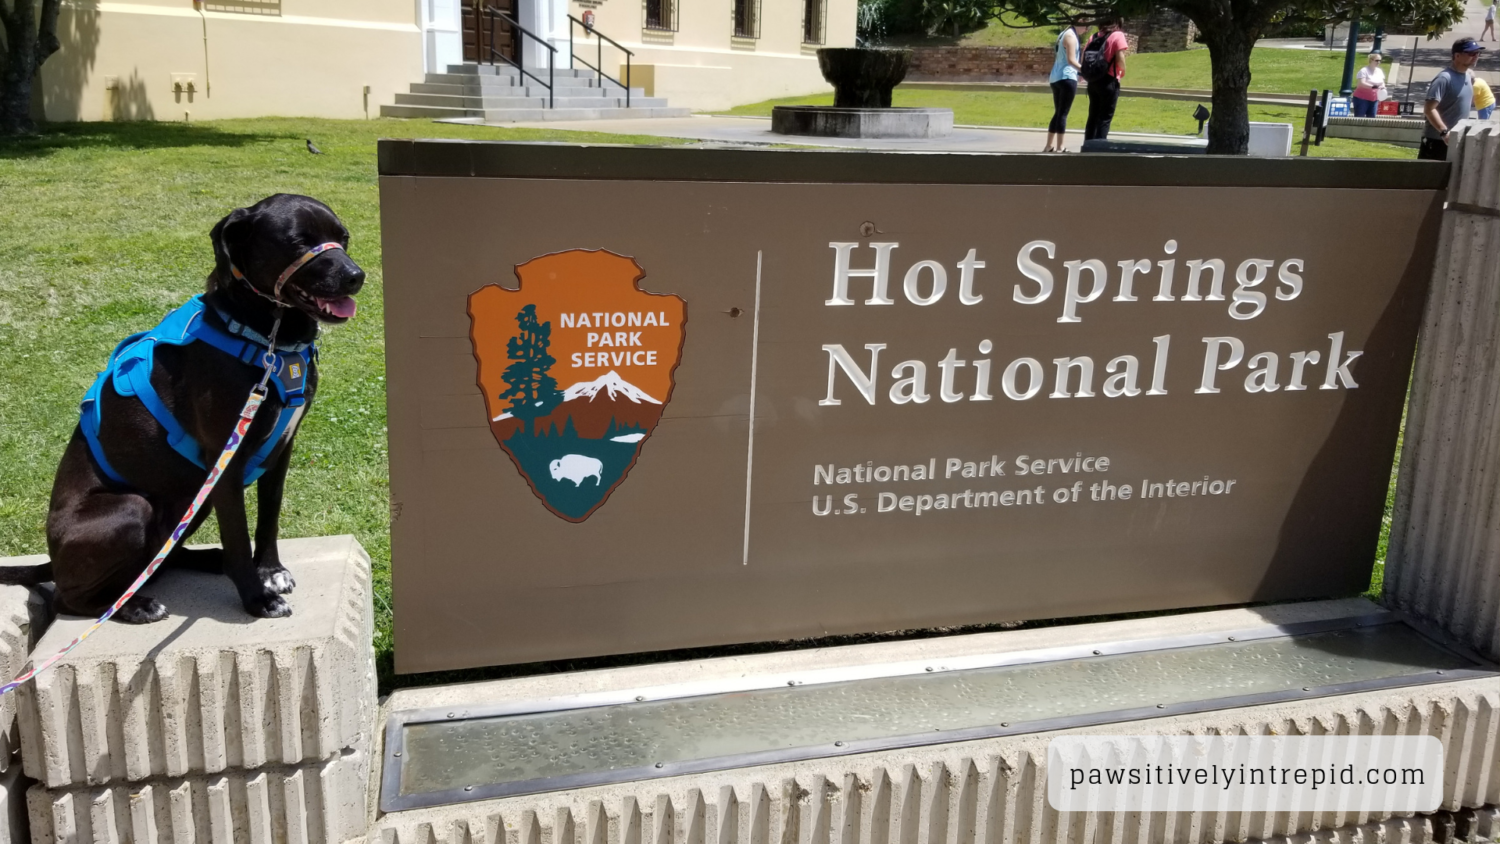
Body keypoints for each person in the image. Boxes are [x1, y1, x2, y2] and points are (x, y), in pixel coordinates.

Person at [1420, 38, 1483, 160]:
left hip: (1456, 139)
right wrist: (1444, 132)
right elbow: (1429, 109)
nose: (1476, 56)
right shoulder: (1444, 78)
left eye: (1477, 53)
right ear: (1457, 55)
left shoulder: (1468, 76)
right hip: (1437, 141)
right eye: (1471, 53)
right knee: (1431, 178)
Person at [1045, 19, 1087, 152]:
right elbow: (1071, 60)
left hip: (1056, 77)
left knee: (1058, 113)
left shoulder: (1063, 33)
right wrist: (1085, 72)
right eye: (1086, 26)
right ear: (1080, 23)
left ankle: (1048, 146)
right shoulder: (1071, 36)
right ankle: (1060, 146)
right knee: (1063, 113)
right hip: (1067, 77)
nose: (1086, 30)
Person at [1084, 19, 1128, 142]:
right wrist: (1123, 70)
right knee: (1104, 118)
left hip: (1093, 81)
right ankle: (1099, 149)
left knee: (1093, 116)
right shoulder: (1117, 35)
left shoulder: (1093, 37)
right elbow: (1120, 57)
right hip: (1108, 81)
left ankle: (1087, 147)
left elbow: (1085, 57)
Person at [1352, 52, 1386, 117]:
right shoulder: (1364, 70)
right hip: (1361, 98)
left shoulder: (1379, 71)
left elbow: (1382, 82)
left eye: (1380, 61)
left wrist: (1383, 88)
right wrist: (1373, 87)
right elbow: (1361, 83)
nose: (1378, 62)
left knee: (1371, 119)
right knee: (1359, 118)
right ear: (1371, 60)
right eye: (1377, 60)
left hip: (1374, 99)